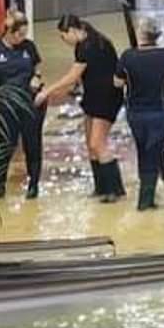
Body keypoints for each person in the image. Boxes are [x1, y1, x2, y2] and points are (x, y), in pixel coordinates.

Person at [36, 15, 127, 203]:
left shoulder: (90, 46)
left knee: (97, 143)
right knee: (90, 144)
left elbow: (73, 75)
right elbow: (80, 76)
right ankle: (101, 187)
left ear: (72, 30)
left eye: (63, 36)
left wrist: (48, 91)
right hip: (92, 96)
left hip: (106, 97)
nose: (64, 41)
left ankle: (115, 189)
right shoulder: (84, 42)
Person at [115, 17, 164, 211]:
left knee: (143, 150)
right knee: (154, 150)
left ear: (141, 33)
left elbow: (117, 83)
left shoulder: (128, 56)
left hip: (135, 112)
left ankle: (148, 191)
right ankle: (146, 199)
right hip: (160, 112)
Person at [0, 10, 44, 199]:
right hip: (5, 106)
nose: (22, 37)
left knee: (32, 144)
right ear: (9, 31)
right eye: (19, 34)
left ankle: (33, 185)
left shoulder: (28, 47)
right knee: (5, 145)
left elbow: (37, 65)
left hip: (29, 103)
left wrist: (36, 77)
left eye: (25, 34)